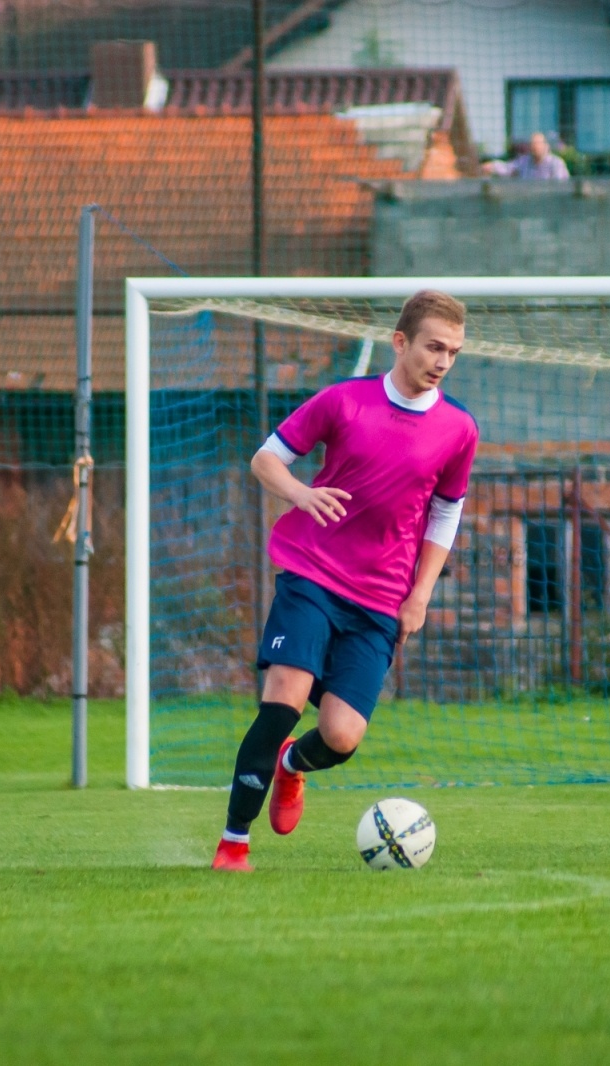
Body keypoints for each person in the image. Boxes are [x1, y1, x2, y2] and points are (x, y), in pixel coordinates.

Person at [212, 289, 479, 872]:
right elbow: (265, 459)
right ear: (401, 342)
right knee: (283, 700)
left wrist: (420, 595)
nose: (443, 361)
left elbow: (446, 512)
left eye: (454, 352)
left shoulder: (458, 428)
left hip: (381, 600)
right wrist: (300, 494)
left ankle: (289, 766)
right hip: (312, 574)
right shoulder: (344, 400)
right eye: (434, 347)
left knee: (340, 737)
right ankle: (233, 845)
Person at [482, 131, 571, 181]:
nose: (535, 148)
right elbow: (508, 168)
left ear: (546, 146)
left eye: (538, 144)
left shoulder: (556, 163)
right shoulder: (524, 161)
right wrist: (492, 167)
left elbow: (559, 189)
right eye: (533, 145)